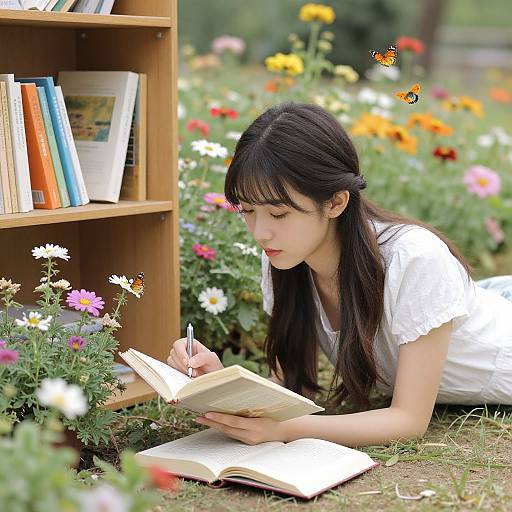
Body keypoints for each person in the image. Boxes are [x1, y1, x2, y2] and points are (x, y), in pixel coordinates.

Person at [167, 101, 512, 447]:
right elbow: (288, 391)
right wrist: (219, 382)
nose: (260, 232)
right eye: (249, 211)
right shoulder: (285, 256)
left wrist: (289, 429)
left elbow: (408, 420)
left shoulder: (415, 259)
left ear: (336, 202)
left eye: (278, 213)